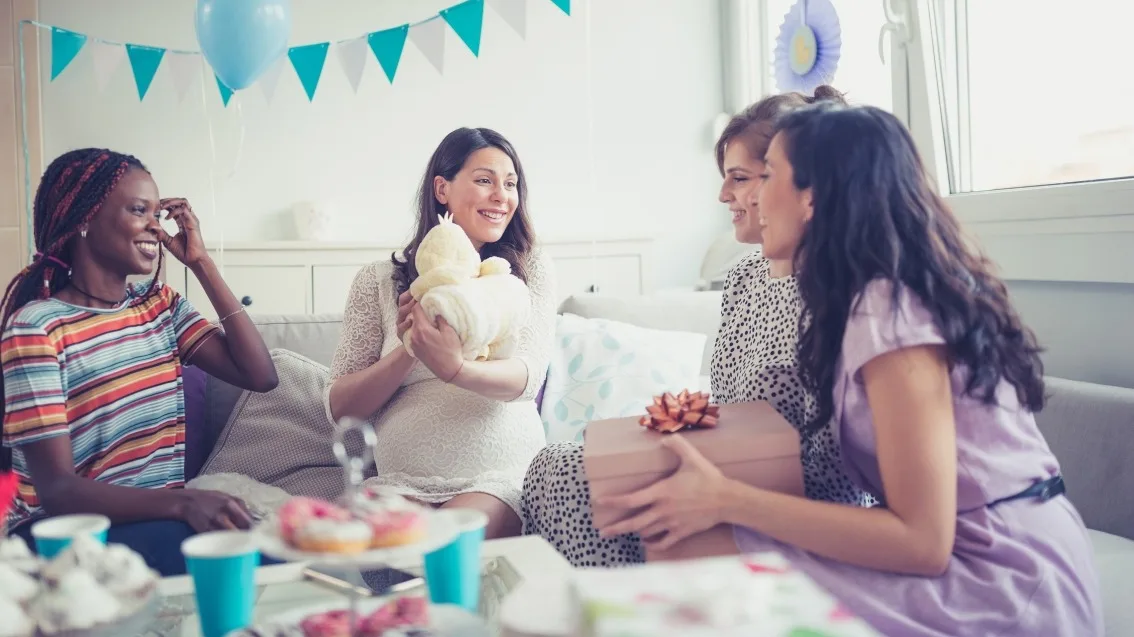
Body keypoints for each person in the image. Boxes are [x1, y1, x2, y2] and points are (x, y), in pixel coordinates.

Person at [596, 103, 1102, 635]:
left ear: (812, 197)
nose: (751, 197)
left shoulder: (890, 310)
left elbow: (923, 543)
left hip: (1000, 575)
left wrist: (727, 498)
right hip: (961, 550)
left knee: (698, 545)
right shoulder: (854, 301)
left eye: (769, 176)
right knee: (683, 540)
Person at [521, 87, 873, 568]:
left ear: (798, 181)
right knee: (562, 464)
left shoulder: (849, 294)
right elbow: (730, 409)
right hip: (731, 471)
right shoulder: (745, 276)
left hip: (798, 505)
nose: (724, 195)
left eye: (741, 178)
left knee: (574, 477)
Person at [2, 148, 279, 575]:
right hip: (63, 534)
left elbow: (260, 376)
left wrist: (201, 263)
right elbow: (57, 491)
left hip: (156, 521)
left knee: (277, 559)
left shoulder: (158, 306)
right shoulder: (36, 328)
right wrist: (185, 502)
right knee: (248, 564)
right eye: (138, 210)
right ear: (83, 219)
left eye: (157, 212)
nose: (156, 225)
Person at [327, 127, 554, 539]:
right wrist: (411, 347)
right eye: (485, 180)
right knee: (370, 545)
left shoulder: (524, 271)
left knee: (448, 542)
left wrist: (454, 368)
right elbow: (341, 408)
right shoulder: (378, 282)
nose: (502, 195)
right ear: (442, 188)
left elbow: (526, 378)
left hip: (495, 477)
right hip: (400, 484)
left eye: (511, 184)